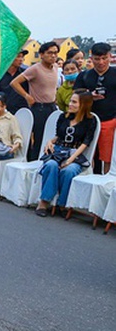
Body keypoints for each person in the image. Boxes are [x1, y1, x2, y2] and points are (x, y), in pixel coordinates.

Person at [35, 90, 96, 216]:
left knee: (69, 170)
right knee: (51, 165)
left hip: (75, 153)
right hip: (58, 149)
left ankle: (62, 204)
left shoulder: (90, 120)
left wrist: (71, 159)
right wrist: (49, 142)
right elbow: (58, 136)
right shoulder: (63, 117)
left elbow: (86, 143)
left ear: (83, 104)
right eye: (70, 101)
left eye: (74, 102)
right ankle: (44, 202)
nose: (70, 104)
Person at [11, 41, 60, 161]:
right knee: (38, 138)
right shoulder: (35, 69)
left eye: (55, 53)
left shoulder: (56, 67)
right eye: (49, 53)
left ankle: (48, 162)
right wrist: (27, 96)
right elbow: (14, 83)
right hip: (39, 108)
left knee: (52, 138)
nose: (53, 56)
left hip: (52, 107)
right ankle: (33, 163)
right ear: (41, 54)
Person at [74, 42, 116, 173]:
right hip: (88, 120)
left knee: (108, 156)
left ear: (110, 57)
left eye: (104, 58)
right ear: (91, 58)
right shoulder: (84, 75)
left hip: (110, 120)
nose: (101, 62)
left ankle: (107, 179)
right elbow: (76, 95)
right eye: (97, 59)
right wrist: (89, 95)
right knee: (88, 154)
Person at [0, 50, 30, 114]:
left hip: (21, 111)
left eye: (22, 57)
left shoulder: (25, 73)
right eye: (18, 57)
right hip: (3, 112)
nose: (21, 59)